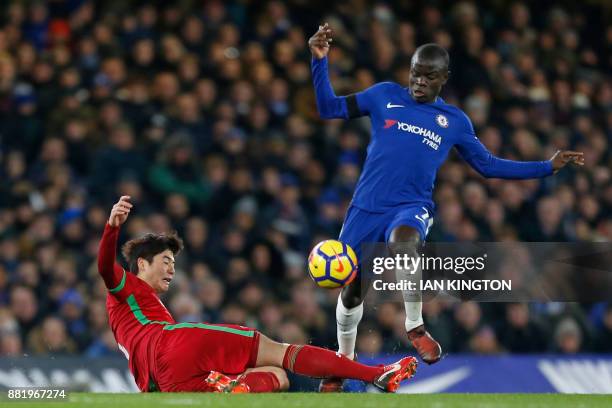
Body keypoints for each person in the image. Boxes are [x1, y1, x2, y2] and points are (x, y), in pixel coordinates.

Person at [308, 23, 584, 392]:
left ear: (444, 79)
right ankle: (343, 365)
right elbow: (328, 108)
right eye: (415, 73)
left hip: (411, 205)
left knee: (405, 242)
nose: (419, 82)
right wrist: (319, 62)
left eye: (429, 76)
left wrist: (545, 167)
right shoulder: (383, 95)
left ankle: (414, 325)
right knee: (353, 289)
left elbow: (487, 165)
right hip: (365, 208)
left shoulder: (453, 121)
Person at [98, 195, 418, 393]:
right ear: (141, 263)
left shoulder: (139, 307)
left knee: (277, 377)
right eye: (166, 261)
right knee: (281, 352)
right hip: (170, 343)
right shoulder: (125, 285)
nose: (171, 269)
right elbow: (104, 268)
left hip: (160, 383)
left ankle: (239, 387)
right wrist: (112, 227)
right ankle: (376, 374)